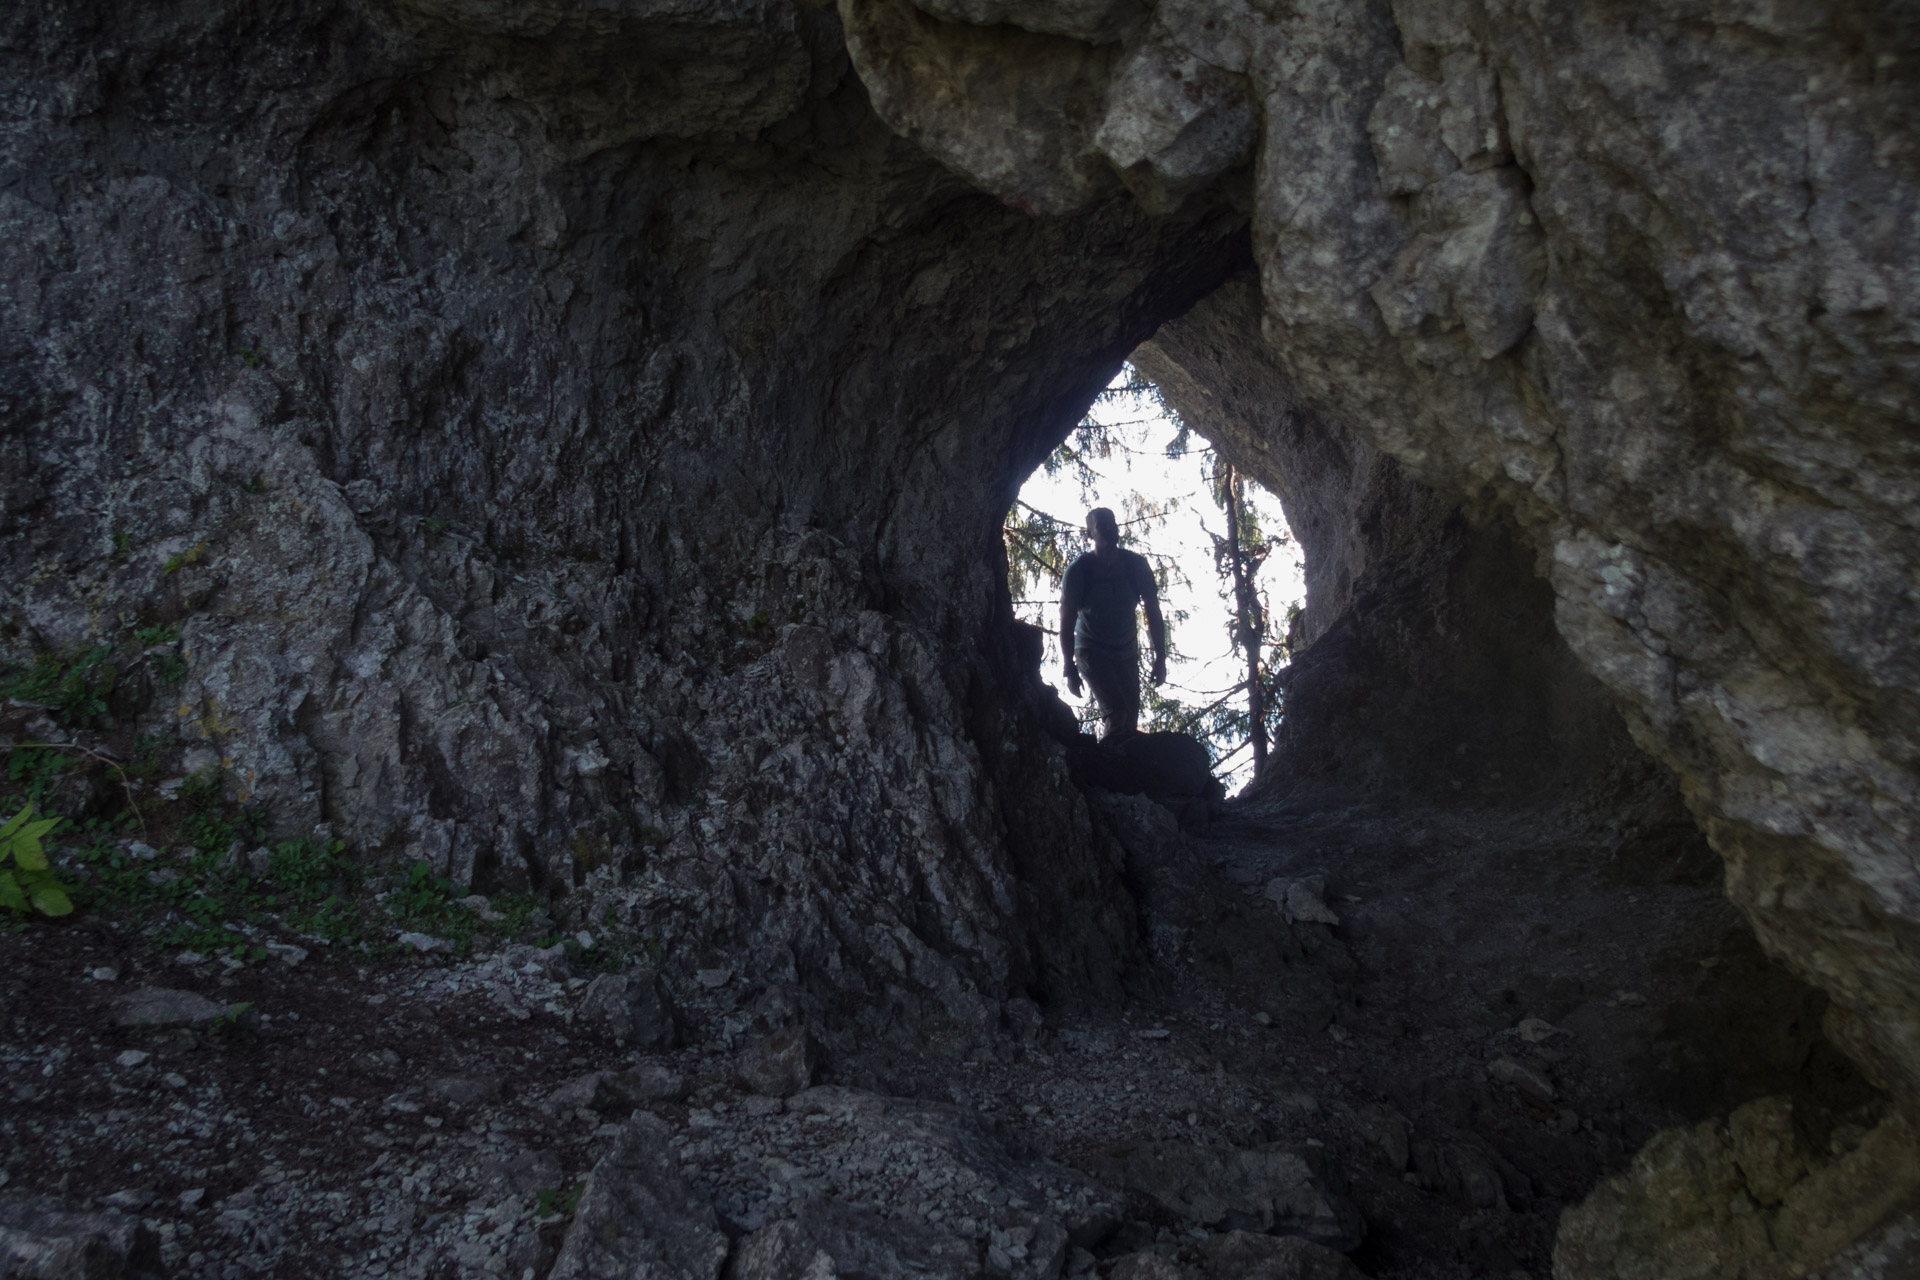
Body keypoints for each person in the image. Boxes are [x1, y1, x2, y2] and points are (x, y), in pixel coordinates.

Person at [1061, 507, 1167, 738]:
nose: (1110, 530)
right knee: (1117, 713)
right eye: (1102, 526)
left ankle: (1121, 767)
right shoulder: (1080, 571)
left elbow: (1153, 611)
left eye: (1113, 524)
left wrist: (1161, 657)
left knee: (1129, 719)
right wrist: (1070, 668)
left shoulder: (1135, 565)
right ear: (1090, 534)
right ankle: (1107, 767)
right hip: (1091, 651)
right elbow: (1067, 622)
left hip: (1125, 652)